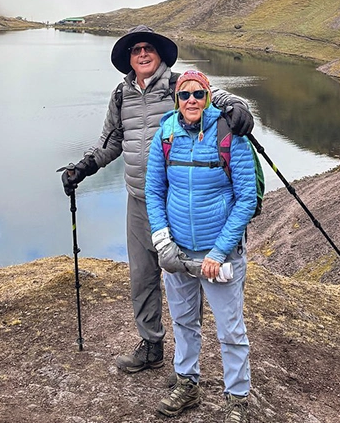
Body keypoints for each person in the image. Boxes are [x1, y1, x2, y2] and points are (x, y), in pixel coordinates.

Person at [60, 26, 254, 373]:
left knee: (185, 273)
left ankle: (187, 362)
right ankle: (151, 345)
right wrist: (84, 167)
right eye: (136, 50)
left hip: (178, 202)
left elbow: (216, 97)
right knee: (142, 275)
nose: (143, 54)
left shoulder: (180, 85)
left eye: (148, 48)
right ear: (129, 59)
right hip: (139, 199)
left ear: (160, 54)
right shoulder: (121, 95)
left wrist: (238, 106)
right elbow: (111, 142)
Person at [145, 69, 256, 422]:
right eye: (184, 95)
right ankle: (187, 383)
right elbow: (154, 190)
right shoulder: (166, 134)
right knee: (183, 321)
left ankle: (237, 398)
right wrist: (163, 240)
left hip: (219, 253)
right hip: (178, 250)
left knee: (230, 329)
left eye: (198, 94)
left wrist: (219, 252)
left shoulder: (229, 134)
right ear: (176, 99)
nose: (191, 100)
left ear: (208, 97)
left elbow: (246, 199)